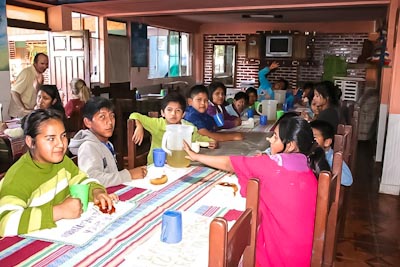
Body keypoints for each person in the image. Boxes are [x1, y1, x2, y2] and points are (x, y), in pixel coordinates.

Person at [183, 116, 329, 267]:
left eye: (275, 137)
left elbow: (230, 162)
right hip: (303, 255)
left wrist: (196, 156)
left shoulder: (273, 166)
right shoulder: (307, 166)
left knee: (229, 245)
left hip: (279, 257)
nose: (270, 139)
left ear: (290, 146)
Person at [0, 109, 116, 237]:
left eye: (63, 136)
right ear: (30, 142)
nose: (61, 144)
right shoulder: (18, 177)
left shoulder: (62, 162)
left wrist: (96, 192)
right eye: (51, 139)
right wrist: (59, 211)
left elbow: (82, 181)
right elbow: (5, 223)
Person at [68, 97, 147, 187]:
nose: (109, 122)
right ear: (88, 122)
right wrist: (129, 175)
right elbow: (92, 180)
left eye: (112, 116)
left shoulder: (107, 144)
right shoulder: (88, 147)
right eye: (102, 117)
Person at [130, 92, 217, 165]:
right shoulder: (157, 124)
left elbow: (198, 138)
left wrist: (211, 141)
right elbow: (134, 115)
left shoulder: (187, 127)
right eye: (169, 110)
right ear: (162, 113)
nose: (173, 114)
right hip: (157, 165)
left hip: (180, 162)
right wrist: (139, 126)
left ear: (183, 114)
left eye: (178, 110)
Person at [310, 120, 353, 186]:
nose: (309, 141)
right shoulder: (309, 153)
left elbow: (348, 180)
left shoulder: (331, 157)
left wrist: (330, 165)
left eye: (314, 138)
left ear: (327, 142)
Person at [9, 53, 49, 118]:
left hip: (30, 113)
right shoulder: (26, 73)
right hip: (19, 115)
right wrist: (23, 109)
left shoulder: (40, 75)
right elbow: (14, 92)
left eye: (46, 64)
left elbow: (37, 93)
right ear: (35, 63)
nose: (45, 66)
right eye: (42, 63)